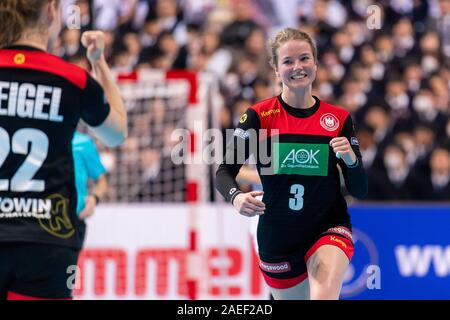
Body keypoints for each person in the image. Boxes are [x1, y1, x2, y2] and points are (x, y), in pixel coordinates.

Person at [216, 28, 368, 300]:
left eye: (304, 58)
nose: (297, 67)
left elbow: (359, 189)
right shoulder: (258, 117)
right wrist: (236, 197)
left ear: (316, 64)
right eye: (288, 61)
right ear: (276, 69)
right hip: (277, 237)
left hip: (328, 226)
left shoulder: (338, 119)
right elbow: (224, 172)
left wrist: (351, 161)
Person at [0, 0, 127, 300]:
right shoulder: (72, 78)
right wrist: (98, 61)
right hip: (48, 241)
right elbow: (116, 133)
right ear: (50, 11)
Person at [72, 131, 108, 246]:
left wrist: (93, 199)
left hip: (74, 219)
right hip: (39, 217)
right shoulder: (39, 137)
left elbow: (101, 181)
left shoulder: (82, 142)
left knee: (69, 264)